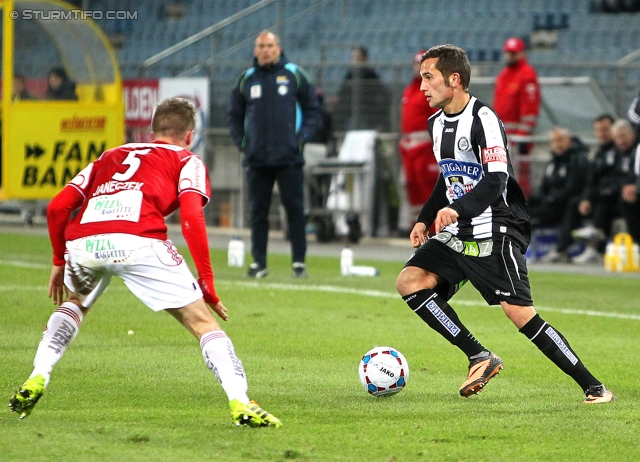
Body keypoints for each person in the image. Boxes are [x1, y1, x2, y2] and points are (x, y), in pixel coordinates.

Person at [9, 98, 282, 427]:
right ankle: (240, 401)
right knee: (203, 324)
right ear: (190, 135)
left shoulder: (109, 156)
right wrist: (206, 281)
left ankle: (38, 374)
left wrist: (58, 258)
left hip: (85, 243)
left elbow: (57, 209)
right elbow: (192, 217)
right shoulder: (186, 159)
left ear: (152, 132)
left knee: (75, 304)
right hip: (139, 241)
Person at [395, 44, 613, 404]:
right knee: (410, 281)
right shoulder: (435, 123)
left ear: (455, 79)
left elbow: (497, 179)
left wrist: (458, 209)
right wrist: (424, 218)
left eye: (429, 77)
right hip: (460, 229)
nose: (422, 87)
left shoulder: (484, 119)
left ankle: (595, 387)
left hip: (497, 226)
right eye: (422, 78)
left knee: (520, 314)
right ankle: (479, 356)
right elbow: (446, 179)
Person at [227, 30, 319, 278]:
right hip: (257, 158)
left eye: (270, 45)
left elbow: (312, 109)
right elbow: (234, 115)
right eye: (261, 46)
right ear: (255, 50)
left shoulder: (294, 75)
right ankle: (259, 263)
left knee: (295, 211)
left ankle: (299, 262)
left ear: (278, 48)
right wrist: (242, 142)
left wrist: (300, 140)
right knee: (258, 213)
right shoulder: (246, 79)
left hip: (289, 157)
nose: (265, 50)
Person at [572, 118, 638, 257]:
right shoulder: (612, 154)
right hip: (617, 195)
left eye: (623, 137)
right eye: (617, 138)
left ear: (632, 135)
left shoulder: (633, 152)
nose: (620, 141)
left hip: (630, 194)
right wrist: (587, 198)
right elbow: (598, 179)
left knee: (612, 201)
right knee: (584, 202)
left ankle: (631, 244)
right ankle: (595, 244)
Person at [529, 127, 589, 263]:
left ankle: (560, 250)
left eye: (561, 140)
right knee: (523, 206)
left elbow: (573, 188)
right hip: (552, 203)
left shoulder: (578, 159)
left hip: (567, 205)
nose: (558, 144)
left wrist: (551, 199)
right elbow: (543, 188)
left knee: (571, 204)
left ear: (569, 140)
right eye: (554, 141)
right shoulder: (553, 163)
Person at [398, 50, 440, 234]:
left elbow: (438, 119)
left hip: (425, 147)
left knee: (426, 188)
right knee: (412, 188)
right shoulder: (410, 89)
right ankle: (418, 227)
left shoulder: (433, 90)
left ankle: (432, 229)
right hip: (409, 147)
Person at [493, 37, 541, 198]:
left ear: (522, 53)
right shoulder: (504, 75)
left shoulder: (527, 75)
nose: (509, 57)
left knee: (519, 180)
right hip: (502, 138)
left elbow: (530, 113)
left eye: (513, 53)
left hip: (517, 141)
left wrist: (521, 140)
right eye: (508, 53)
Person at [331, 45, 391, 132]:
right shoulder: (351, 74)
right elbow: (343, 91)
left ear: (365, 58)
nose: (355, 60)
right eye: (353, 57)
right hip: (350, 106)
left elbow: (380, 92)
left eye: (357, 57)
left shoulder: (370, 74)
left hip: (368, 108)